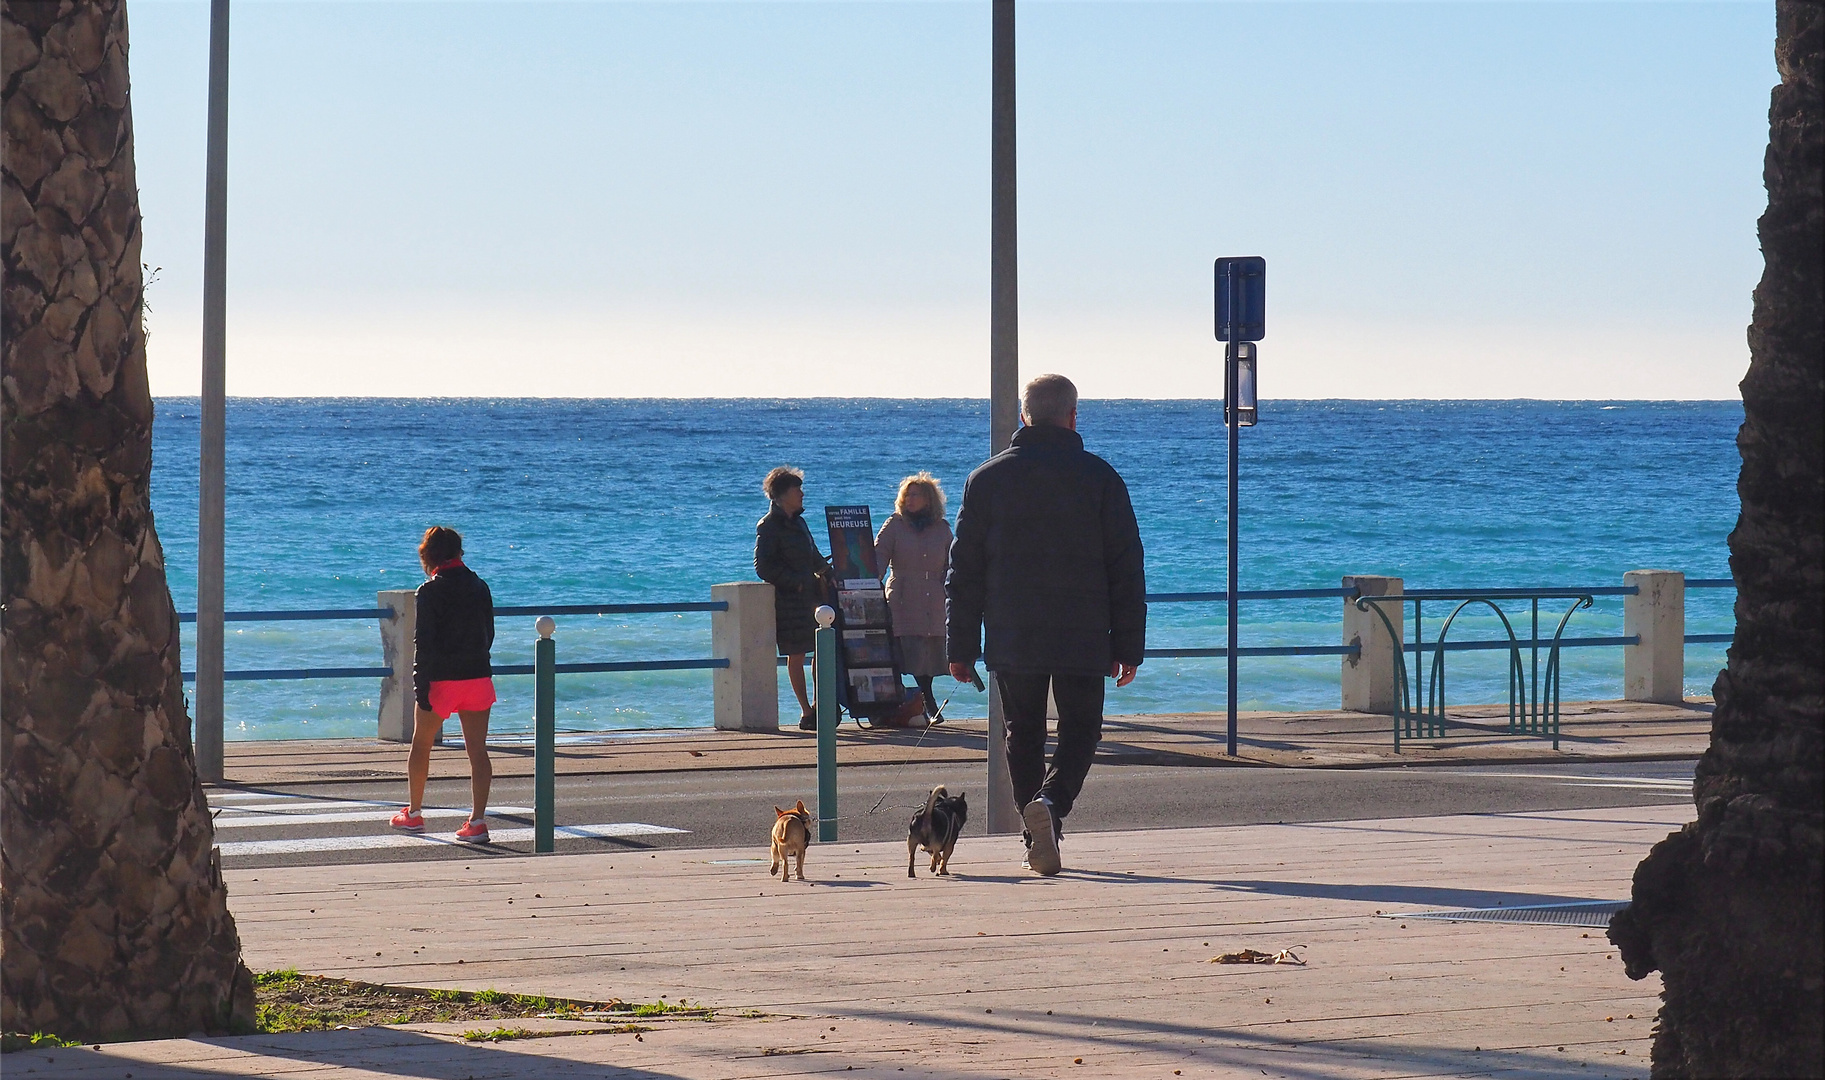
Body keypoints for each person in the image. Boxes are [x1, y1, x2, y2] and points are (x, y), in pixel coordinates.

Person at [946, 374, 1146, 876]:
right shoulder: (1102, 478)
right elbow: (1126, 568)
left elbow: (963, 571)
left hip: (1014, 633)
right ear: (1073, 416)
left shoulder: (986, 479)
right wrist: (1130, 646)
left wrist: (961, 645)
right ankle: (1052, 809)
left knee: (1023, 733)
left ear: (1023, 416)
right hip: (1083, 632)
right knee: (1081, 731)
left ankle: (1038, 830)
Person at [391, 526, 497, 842]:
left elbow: (423, 643)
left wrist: (420, 688)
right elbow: (489, 633)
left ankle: (413, 814)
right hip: (477, 675)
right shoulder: (480, 587)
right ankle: (477, 821)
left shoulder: (430, 591)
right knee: (477, 751)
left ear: (430, 556)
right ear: (459, 552)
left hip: (442, 680)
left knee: (421, 744)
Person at [874, 472, 953, 721]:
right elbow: (878, 558)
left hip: (933, 600)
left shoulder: (941, 528)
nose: (909, 499)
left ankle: (923, 701)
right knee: (902, 650)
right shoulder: (894, 524)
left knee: (927, 653)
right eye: (906, 494)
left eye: (915, 495)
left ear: (928, 499)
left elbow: (953, 565)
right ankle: (923, 702)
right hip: (902, 598)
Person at [755, 466, 827, 730]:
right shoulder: (768, 525)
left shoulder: (799, 521)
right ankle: (806, 711)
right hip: (788, 600)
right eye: (797, 489)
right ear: (783, 494)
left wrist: (827, 572)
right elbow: (763, 567)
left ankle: (822, 705)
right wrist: (795, 583)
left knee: (823, 649)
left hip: (811, 597)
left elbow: (814, 554)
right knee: (796, 654)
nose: (802, 494)